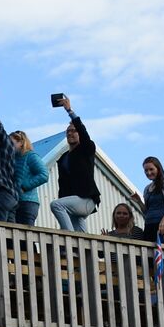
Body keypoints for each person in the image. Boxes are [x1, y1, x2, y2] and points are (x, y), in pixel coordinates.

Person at [49, 96, 101, 232]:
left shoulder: (86, 149)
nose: (70, 133)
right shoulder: (64, 157)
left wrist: (69, 111)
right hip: (73, 200)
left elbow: (84, 133)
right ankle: (83, 250)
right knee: (77, 225)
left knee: (56, 205)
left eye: (74, 131)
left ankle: (70, 239)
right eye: (68, 132)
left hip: (86, 198)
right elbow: (64, 183)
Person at [10, 131, 48, 225]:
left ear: (21, 142)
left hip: (28, 202)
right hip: (15, 203)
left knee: (27, 236)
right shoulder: (13, 159)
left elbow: (44, 174)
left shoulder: (30, 156)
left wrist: (24, 187)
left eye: (11, 143)